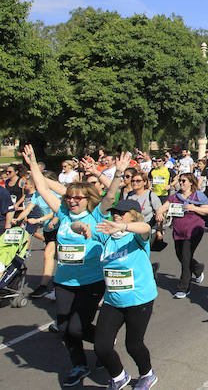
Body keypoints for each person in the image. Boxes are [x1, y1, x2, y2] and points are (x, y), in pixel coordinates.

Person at [22, 145, 120, 387]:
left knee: (77, 327)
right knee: (65, 328)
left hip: (91, 282)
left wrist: (112, 174)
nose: (72, 200)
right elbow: (43, 187)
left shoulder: (97, 215)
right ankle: (79, 364)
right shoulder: (63, 214)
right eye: (69, 197)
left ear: (88, 200)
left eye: (78, 197)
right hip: (64, 281)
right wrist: (33, 163)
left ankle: (103, 343)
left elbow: (111, 195)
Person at [76, 199, 158, 390]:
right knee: (101, 346)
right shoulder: (107, 235)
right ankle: (119, 376)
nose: (116, 215)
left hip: (139, 299)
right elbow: (76, 224)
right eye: (115, 212)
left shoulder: (136, 237)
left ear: (133, 215)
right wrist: (81, 227)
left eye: (122, 213)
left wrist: (123, 226)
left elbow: (146, 227)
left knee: (133, 345)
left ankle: (147, 374)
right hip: (113, 299)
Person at [156, 174, 208, 298]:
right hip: (179, 230)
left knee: (185, 258)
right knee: (180, 255)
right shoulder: (175, 196)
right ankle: (197, 268)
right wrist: (159, 212)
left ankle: (184, 287)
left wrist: (194, 208)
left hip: (193, 231)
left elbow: (207, 209)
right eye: (180, 181)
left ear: (191, 182)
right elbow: (163, 207)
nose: (181, 183)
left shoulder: (198, 195)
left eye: (184, 181)